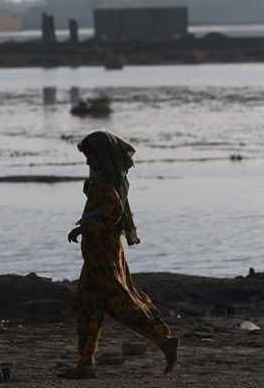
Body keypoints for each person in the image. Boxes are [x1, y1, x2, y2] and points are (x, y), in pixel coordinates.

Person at [60, 131, 178, 379]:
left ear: (100, 156)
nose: (87, 161)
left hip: (102, 258)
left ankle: (163, 340)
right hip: (98, 256)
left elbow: (114, 210)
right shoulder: (104, 180)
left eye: (90, 156)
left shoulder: (104, 184)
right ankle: (85, 363)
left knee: (122, 304)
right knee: (87, 305)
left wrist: (85, 227)